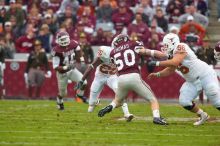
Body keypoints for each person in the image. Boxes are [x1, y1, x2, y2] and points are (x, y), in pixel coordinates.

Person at [147, 33, 220, 125]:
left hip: (205, 75)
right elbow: (171, 69)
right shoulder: (172, 54)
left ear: (172, 43)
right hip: (192, 81)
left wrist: (156, 63)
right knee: (184, 101)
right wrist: (157, 74)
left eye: (166, 44)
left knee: (215, 98)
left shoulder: (181, 46)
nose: (165, 47)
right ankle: (203, 115)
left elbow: (175, 62)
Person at [97, 34, 168, 125]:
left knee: (118, 101)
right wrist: (165, 56)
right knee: (152, 99)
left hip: (121, 78)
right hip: (134, 76)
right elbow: (149, 52)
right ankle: (157, 117)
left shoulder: (113, 52)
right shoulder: (133, 44)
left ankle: (110, 106)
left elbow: (116, 69)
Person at [76, 46, 134, 121]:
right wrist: (82, 80)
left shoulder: (117, 56)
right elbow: (90, 67)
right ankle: (96, 102)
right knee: (90, 106)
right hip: (99, 78)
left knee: (119, 93)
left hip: (111, 77)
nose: (100, 58)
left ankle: (127, 114)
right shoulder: (100, 58)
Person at [51, 31, 87, 110]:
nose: (64, 41)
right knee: (63, 93)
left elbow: (79, 51)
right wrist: (66, 67)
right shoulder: (56, 50)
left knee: (84, 82)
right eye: (62, 39)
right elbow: (55, 66)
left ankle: (79, 95)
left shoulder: (73, 43)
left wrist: (82, 60)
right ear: (59, 40)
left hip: (72, 70)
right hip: (62, 73)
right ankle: (59, 101)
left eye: (65, 39)